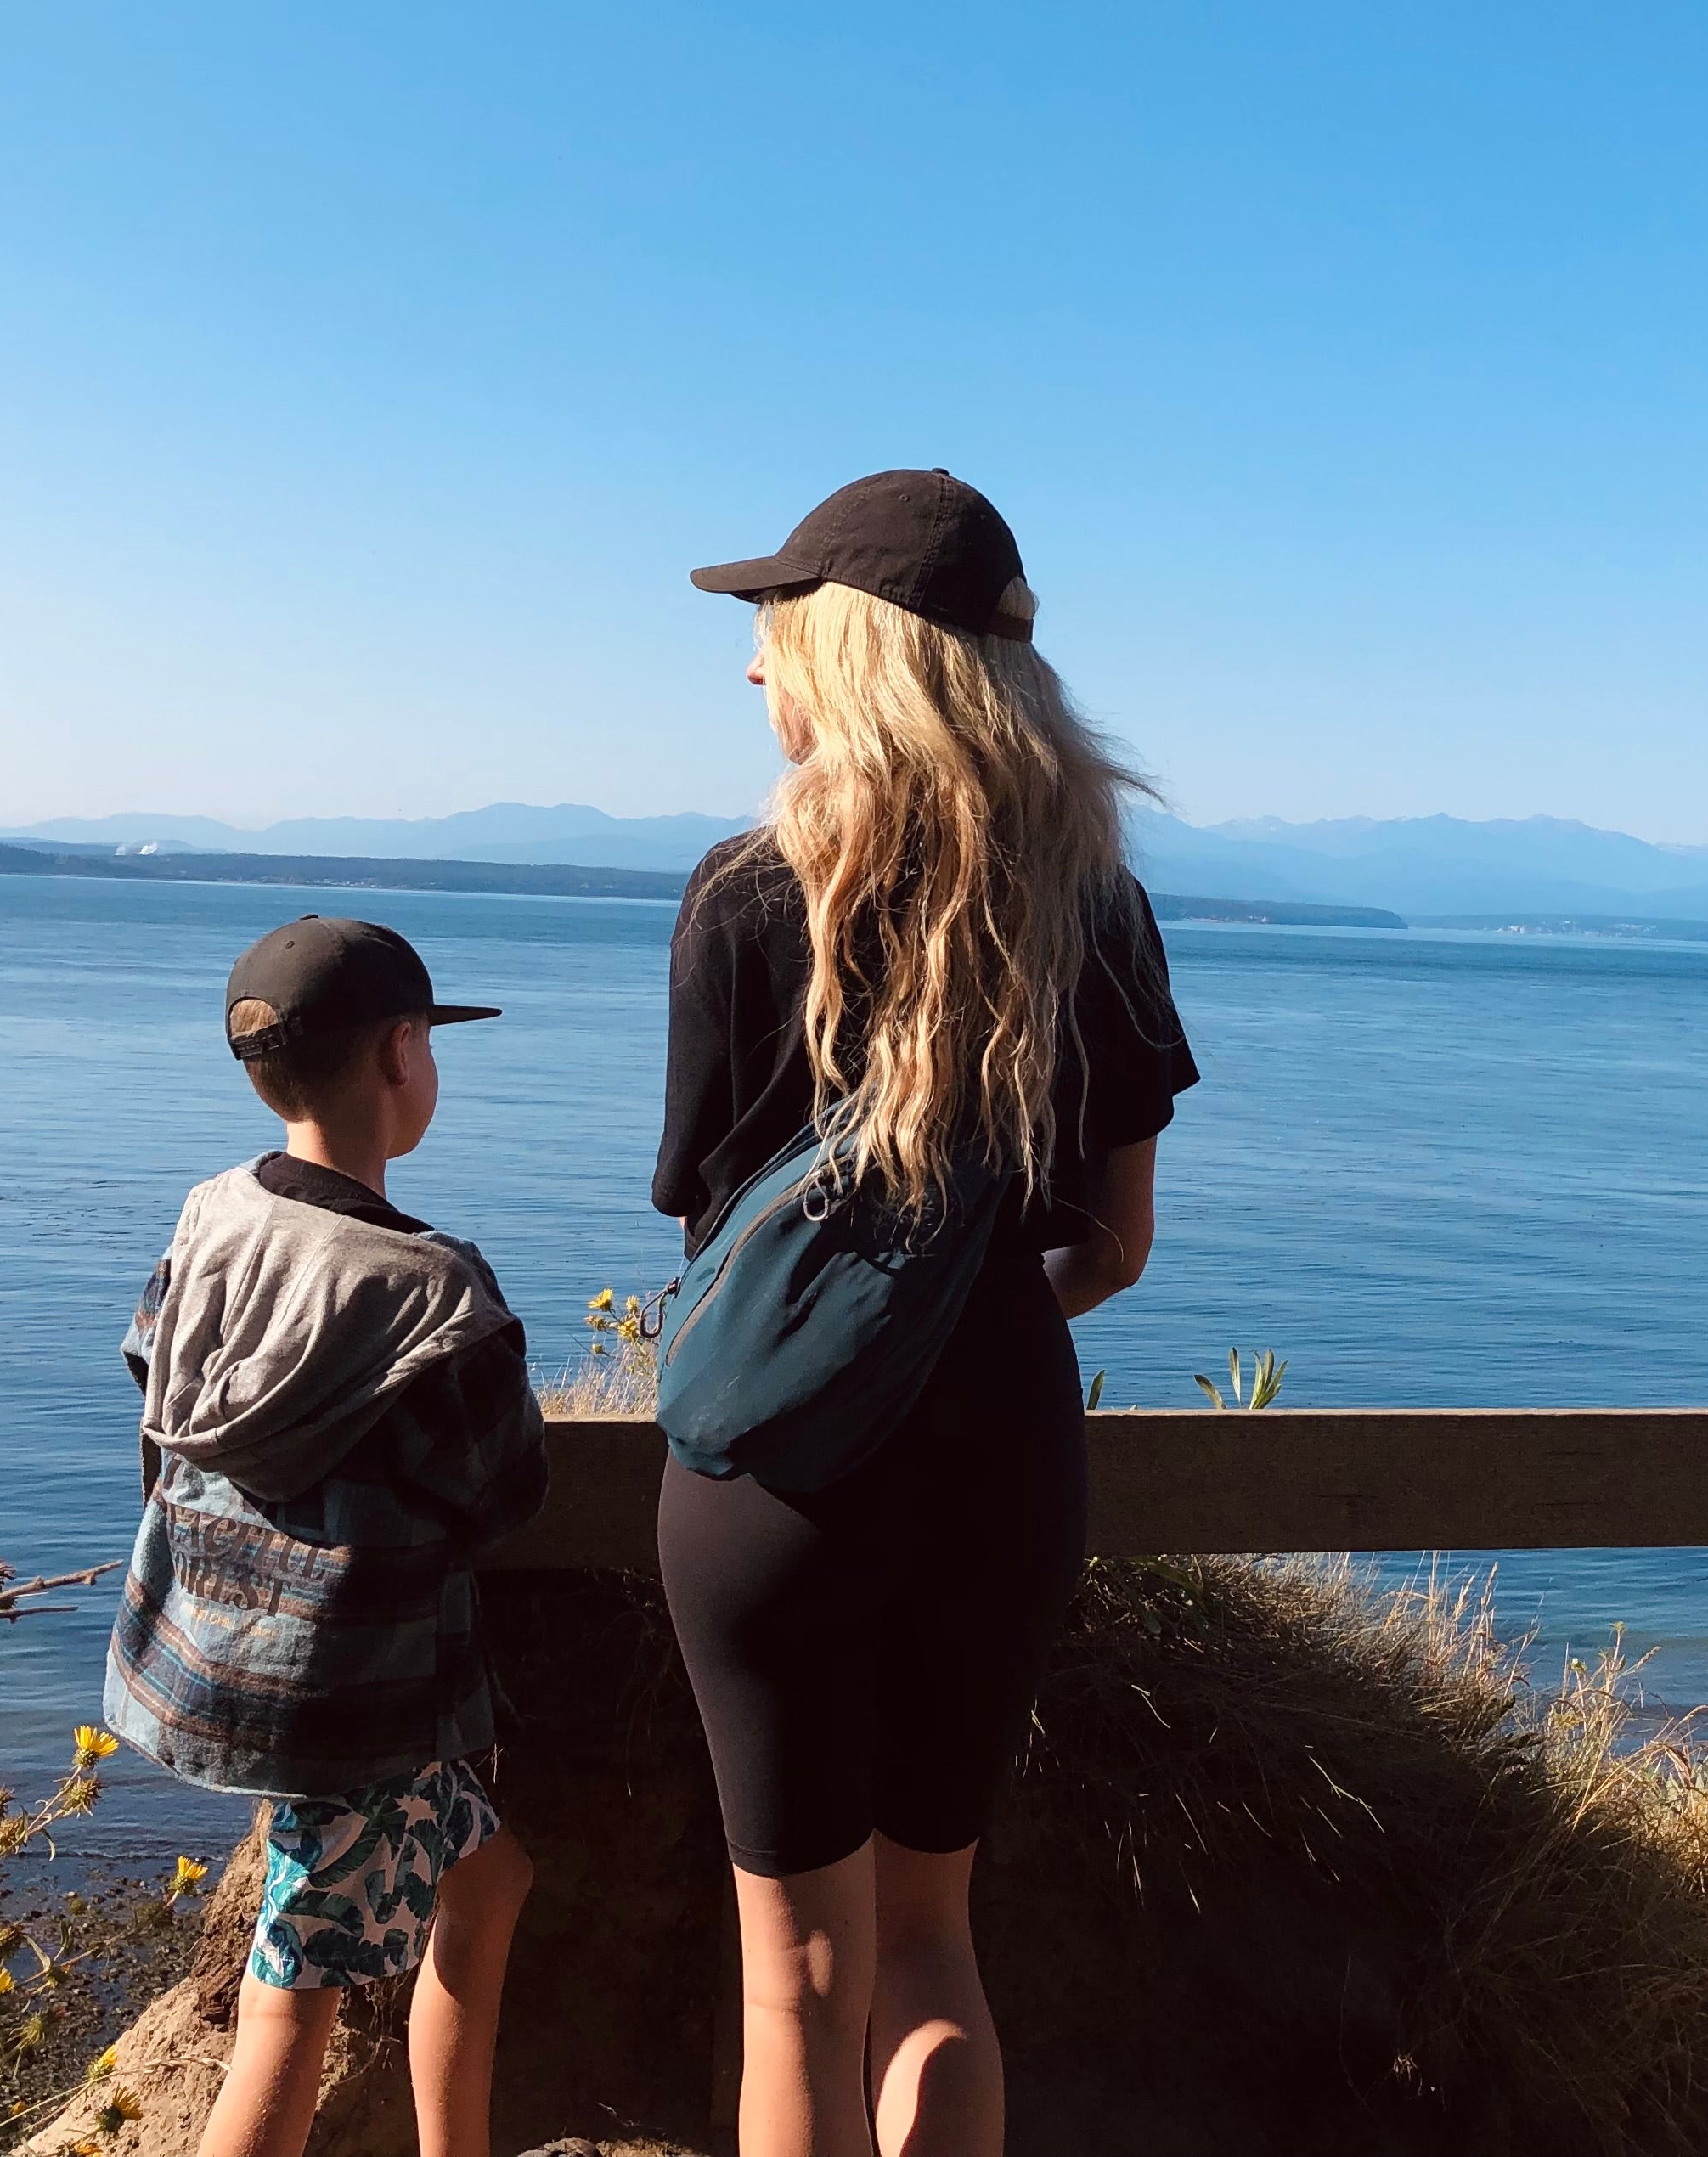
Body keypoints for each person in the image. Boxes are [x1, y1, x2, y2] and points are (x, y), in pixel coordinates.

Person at [655, 470, 1199, 2157]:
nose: (754, 670)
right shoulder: (1099, 907)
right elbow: (1113, 1245)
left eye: (777, 631)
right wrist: (972, 1325)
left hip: (783, 1486)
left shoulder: (750, 895)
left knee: (796, 1984)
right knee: (931, 1948)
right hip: (1002, 1454)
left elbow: (707, 1233)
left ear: (854, 653)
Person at [103, 915, 553, 2157]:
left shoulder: (209, 1218)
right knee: (291, 1998)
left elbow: (155, 1389)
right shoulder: (431, 1292)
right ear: (403, 1057)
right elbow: (503, 1493)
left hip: (205, 1658)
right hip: (346, 1701)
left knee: (488, 1878)